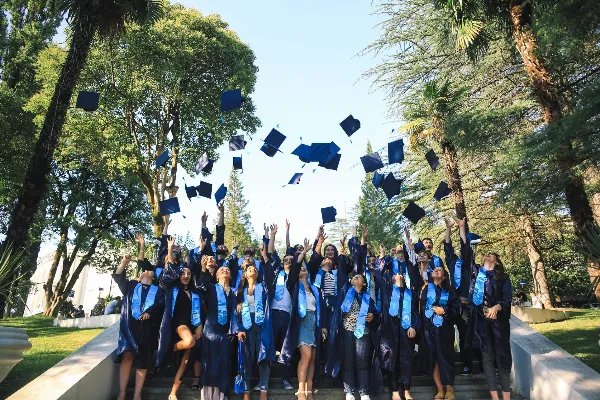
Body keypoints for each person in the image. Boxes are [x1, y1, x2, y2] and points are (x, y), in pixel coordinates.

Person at [156, 237, 203, 400]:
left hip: (192, 324)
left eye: (189, 273)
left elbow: (199, 312)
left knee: (185, 361)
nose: (186, 275)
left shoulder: (195, 293)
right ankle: (170, 349)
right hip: (178, 324)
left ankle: (173, 393)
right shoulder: (172, 288)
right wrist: (170, 249)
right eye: (183, 273)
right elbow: (168, 268)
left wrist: (200, 326)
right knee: (189, 341)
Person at [113, 254, 164, 400]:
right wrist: (124, 262)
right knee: (127, 357)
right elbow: (118, 276)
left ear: (153, 278)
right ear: (139, 276)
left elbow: (160, 304)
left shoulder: (158, 291)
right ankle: (122, 393)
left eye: (149, 271)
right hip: (130, 327)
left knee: (142, 361)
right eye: (144, 271)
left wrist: (150, 312)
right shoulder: (131, 286)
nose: (146, 271)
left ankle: (137, 394)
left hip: (148, 328)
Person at [280, 238, 326, 400]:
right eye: (300, 269)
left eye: (305, 269)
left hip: (314, 322)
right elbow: (294, 271)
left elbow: (321, 308)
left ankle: (309, 390)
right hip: (301, 322)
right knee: (305, 356)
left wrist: (324, 327)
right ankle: (301, 391)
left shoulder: (314, 289)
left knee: (312, 357)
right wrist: (303, 253)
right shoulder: (293, 285)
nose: (303, 270)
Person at [326, 270, 380, 400]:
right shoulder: (345, 292)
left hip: (363, 332)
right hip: (347, 330)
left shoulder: (368, 298)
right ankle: (349, 391)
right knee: (348, 360)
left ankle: (363, 391)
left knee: (362, 361)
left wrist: (373, 316)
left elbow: (375, 314)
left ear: (364, 283)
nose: (356, 277)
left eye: (359, 277)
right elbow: (339, 311)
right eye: (354, 276)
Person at [467, 248, 513, 400]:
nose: (487, 254)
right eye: (486, 253)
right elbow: (473, 297)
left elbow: (507, 299)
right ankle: (494, 397)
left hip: (499, 321)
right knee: (487, 358)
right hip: (482, 321)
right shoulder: (477, 276)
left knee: (502, 356)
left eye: (491, 253)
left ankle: (506, 396)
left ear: (497, 261)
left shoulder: (503, 278)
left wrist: (497, 307)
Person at [376, 248, 420, 400]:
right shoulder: (387, 291)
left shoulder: (410, 293)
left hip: (406, 329)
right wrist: (384, 255)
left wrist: (414, 326)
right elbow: (379, 273)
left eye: (402, 274)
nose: (399, 274)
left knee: (406, 360)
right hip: (390, 330)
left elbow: (415, 312)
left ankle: (406, 390)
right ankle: (395, 390)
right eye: (397, 273)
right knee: (391, 359)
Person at [232, 252, 276, 400]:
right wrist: (238, 329)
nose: (253, 270)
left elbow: (269, 275)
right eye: (249, 269)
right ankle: (246, 391)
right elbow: (235, 312)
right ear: (244, 274)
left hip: (261, 325)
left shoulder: (263, 287)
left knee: (263, 356)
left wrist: (265, 257)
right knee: (246, 358)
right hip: (245, 326)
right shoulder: (239, 291)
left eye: (255, 269)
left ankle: (264, 390)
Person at [197, 254, 237, 400]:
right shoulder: (212, 288)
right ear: (217, 275)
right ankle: (208, 396)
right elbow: (201, 284)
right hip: (211, 330)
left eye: (227, 270)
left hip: (226, 331)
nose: (225, 271)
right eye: (222, 270)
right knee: (209, 362)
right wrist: (203, 267)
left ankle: (220, 394)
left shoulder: (234, 292)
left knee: (223, 362)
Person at [421, 264, 459, 400]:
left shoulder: (450, 291)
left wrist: (445, 311)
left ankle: (450, 389)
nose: (437, 270)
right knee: (434, 359)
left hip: (445, 329)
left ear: (444, 276)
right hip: (429, 329)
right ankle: (439, 389)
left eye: (440, 270)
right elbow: (420, 309)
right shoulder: (425, 289)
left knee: (446, 358)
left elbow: (457, 310)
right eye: (435, 270)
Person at [265, 224, 295, 390]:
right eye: (286, 260)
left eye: (291, 260)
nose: (288, 262)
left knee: (286, 348)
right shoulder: (277, 273)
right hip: (274, 313)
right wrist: (273, 234)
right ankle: (265, 380)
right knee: (269, 346)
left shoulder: (296, 276)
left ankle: (285, 379)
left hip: (288, 314)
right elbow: (270, 253)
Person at [443, 217, 473, 375]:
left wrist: (462, 227)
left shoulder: (467, 264)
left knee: (465, 337)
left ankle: (467, 364)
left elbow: (465, 246)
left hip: (465, 307)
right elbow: (448, 246)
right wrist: (448, 228)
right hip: (452, 305)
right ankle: (449, 366)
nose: (460, 253)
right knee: (448, 337)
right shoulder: (452, 262)